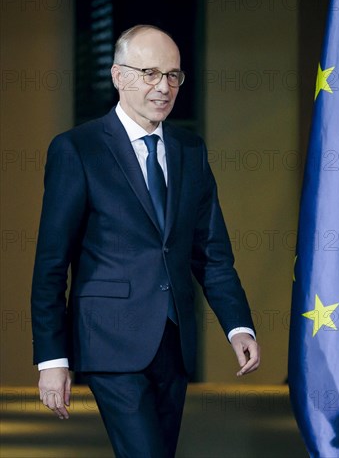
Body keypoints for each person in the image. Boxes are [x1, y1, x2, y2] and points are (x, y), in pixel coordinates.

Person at [31, 24, 260, 458]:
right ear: (119, 76)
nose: (164, 87)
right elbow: (50, 264)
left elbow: (211, 253)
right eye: (150, 73)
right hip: (108, 343)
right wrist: (52, 360)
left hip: (173, 344)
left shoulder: (190, 150)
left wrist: (238, 325)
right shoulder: (77, 149)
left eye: (173, 75)